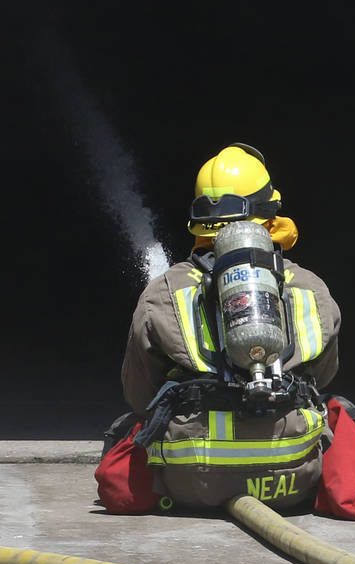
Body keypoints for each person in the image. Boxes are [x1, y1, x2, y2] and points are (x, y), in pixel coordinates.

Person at [116, 143, 341, 511]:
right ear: (270, 215)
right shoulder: (309, 288)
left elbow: (139, 395)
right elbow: (323, 377)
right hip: (293, 478)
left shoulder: (163, 291)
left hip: (190, 482)